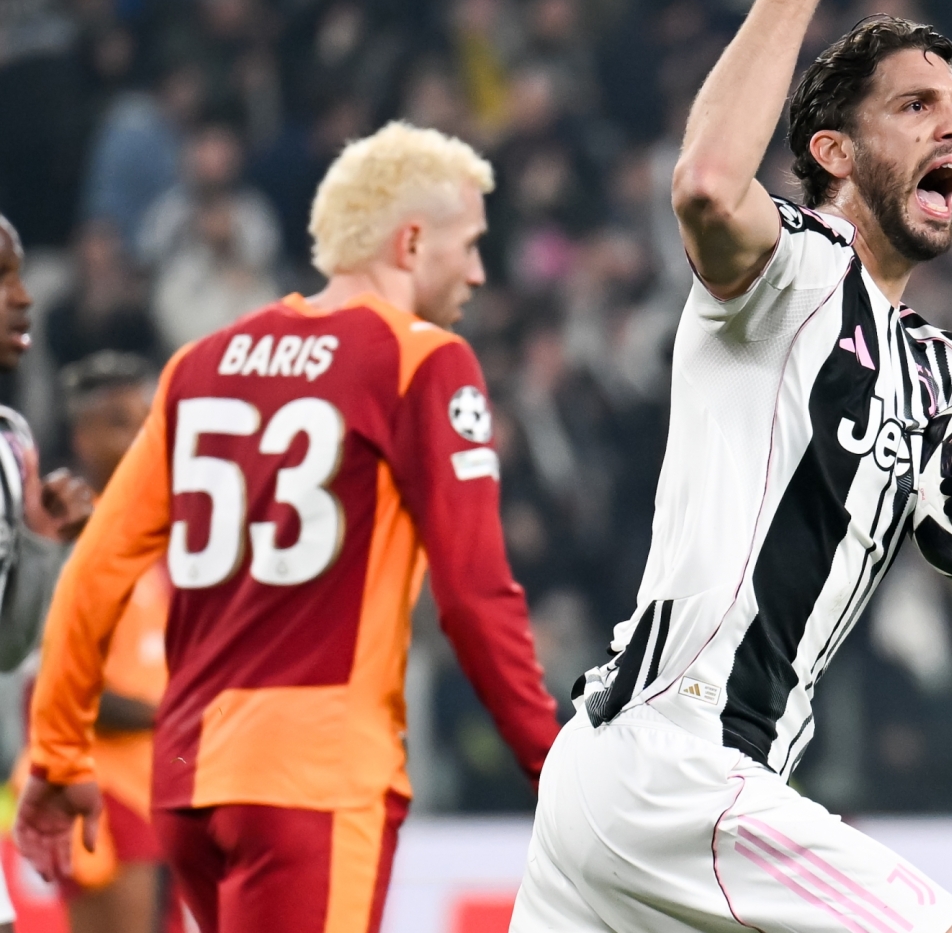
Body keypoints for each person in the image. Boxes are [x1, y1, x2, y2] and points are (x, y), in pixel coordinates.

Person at [511, 0, 952, 933]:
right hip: (674, 762)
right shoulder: (792, 266)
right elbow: (708, 181)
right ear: (833, 151)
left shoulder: (946, 382)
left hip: (653, 793)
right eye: (916, 106)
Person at [18, 123, 562, 933]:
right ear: (412, 241)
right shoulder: (423, 361)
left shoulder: (201, 363)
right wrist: (552, 764)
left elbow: (94, 570)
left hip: (189, 784)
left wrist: (57, 756)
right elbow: (475, 595)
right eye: (471, 244)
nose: (480, 271)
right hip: (312, 777)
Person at [0, 213, 100, 933]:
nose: (24, 296)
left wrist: (38, 542)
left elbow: (6, 650)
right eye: (1, 277)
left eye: (20, 274)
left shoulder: (13, 444)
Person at [50, 352, 168, 933]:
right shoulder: (70, 540)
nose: (143, 436)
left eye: (148, 419)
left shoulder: (162, 531)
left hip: (165, 786)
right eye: (122, 422)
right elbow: (65, 690)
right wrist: (177, 717)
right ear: (82, 435)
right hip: (106, 788)